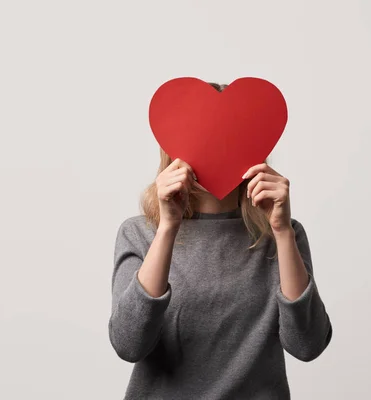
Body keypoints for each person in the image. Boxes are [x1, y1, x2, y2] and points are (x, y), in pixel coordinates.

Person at [108, 82, 333, 399]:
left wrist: (281, 232)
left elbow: (307, 345)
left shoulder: (283, 235)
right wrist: (169, 225)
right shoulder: (140, 233)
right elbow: (128, 344)